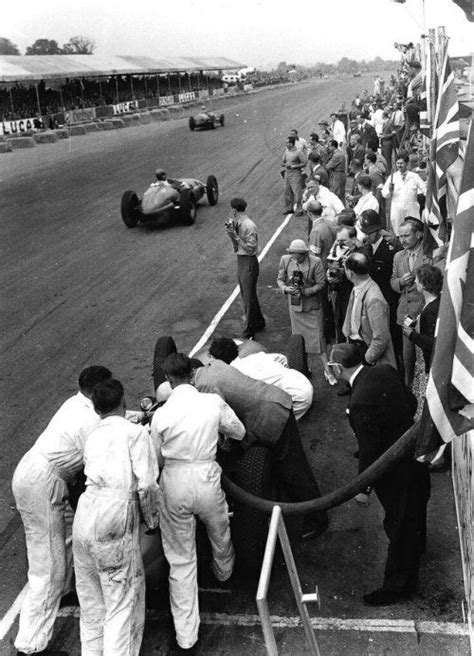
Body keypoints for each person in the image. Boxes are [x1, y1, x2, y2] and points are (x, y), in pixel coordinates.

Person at [11, 366, 112, 656]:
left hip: (34, 473)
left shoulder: (74, 402)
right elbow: (102, 445)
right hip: (45, 483)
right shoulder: (89, 419)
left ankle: (67, 590)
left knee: (67, 534)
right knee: (48, 569)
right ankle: (30, 646)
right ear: (96, 391)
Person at [150, 354, 245, 652]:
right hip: (206, 476)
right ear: (193, 374)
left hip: (174, 481)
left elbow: (156, 460)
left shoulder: (161, 415)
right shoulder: (210, 403)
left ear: (168, 379)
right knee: (220, 531)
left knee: (180, 559)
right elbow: (239, 431)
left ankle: (186, 637)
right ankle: (224, 574)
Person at [194, 338, 328, 539]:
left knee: (295, 470)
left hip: (272, 415)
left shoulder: (203, 384)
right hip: (274, 404)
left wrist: (229, 441)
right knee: (287, 467)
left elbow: (229, 420)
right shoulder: (217, 365)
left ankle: (318, 520)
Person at [328, 343, 430, 606]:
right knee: (414, 514)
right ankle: (417, 549)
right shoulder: (384, 370)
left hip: (395, 471)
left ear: (338, 368)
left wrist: (363, 489)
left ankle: (398, 586)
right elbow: (411, 401)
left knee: (399, 525)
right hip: (414, 455)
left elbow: (369, 450)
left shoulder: (359, 401)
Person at [72, 379, 160, 656]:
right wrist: (152, 521)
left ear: (97, 409)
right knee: (122, 603)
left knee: (91, 604)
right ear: (123, 403)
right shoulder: (135, 434)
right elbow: (147, 485)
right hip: (115, 513)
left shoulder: (92, 434)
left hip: (85, 513)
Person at [277, 239, 336, 385]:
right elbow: (280, 280)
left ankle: (327, 370)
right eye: (293, 255)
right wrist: (286, 289)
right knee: (299, 341)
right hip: (296, 308)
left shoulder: (315, 262)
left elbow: (321, 284)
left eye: (298, 256)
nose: (295, 258)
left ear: (304, 254)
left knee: (319, 339)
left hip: (312, 307)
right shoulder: (285, 260)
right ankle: (303, 369)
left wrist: (305, 292)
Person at [218, 339, 314, 421]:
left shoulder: (235, 373)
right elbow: (282, 358)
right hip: (301, 380)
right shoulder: (255, 356)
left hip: (300, 399)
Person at [359, 210, 403, 371]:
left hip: (387, 302)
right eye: (366, 232)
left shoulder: (390, 250)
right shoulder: (366, 247)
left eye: (371, 232)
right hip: (370, 302)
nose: (368, 236)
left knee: (391, 342)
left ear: (378, 230)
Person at [391, 218, 431, 388]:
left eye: (406, 235)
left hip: (424, 314)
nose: (402, 240)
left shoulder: (430, 255)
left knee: (425, 360)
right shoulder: (398, 256)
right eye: (400, 236)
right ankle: (409, 394)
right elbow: (392, 281)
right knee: (408, 361)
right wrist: (400, 282)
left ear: (419, 234)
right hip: (405, 315)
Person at [342, 252, 397, 368]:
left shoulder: (374, 299)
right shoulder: (358, 287)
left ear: (350, 273)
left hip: (367, 354)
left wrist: (367, 360)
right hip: (355, 347)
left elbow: (381, 337)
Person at [402, 264, 443, 415]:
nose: (415, 283)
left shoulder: (431, 309)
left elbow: (432, 342)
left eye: (418, 280)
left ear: (424, 285)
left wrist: (411, 335)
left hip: (427, 364)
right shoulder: (435, 302)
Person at [225, 197, 265, 339]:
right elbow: (236, 247)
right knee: (247, 294)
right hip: (241, 260)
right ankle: (258, 322)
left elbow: (250, 249)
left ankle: (249, 330)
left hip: (248, 261)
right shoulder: (238, 223)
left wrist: (235, 236)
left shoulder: (249, 225)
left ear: (234, 210)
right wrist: (231, 234)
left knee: (247, 297)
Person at [382, 154, 426, 236]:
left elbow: (425, 189)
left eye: (401, 163)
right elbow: (385, 194)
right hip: (397, 211)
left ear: (406, 163)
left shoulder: (414, 176)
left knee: (412, 232)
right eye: (398, 163)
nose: (399, 165)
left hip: (411, 210)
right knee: (399, 233)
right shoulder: (392, 177)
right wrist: (389, 189)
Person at [282, 135, 307, 215]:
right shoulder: (286, 151)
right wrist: (284, 164)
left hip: (295, 174)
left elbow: (304, 163)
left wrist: (293, 166)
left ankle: (299, 209)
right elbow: (282, 161)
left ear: (292, 144)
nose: (286, 144)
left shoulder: (299, 152)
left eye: (287, 143)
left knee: (297, 192)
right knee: (287, 191)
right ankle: (289, 208)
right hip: (287, 174)